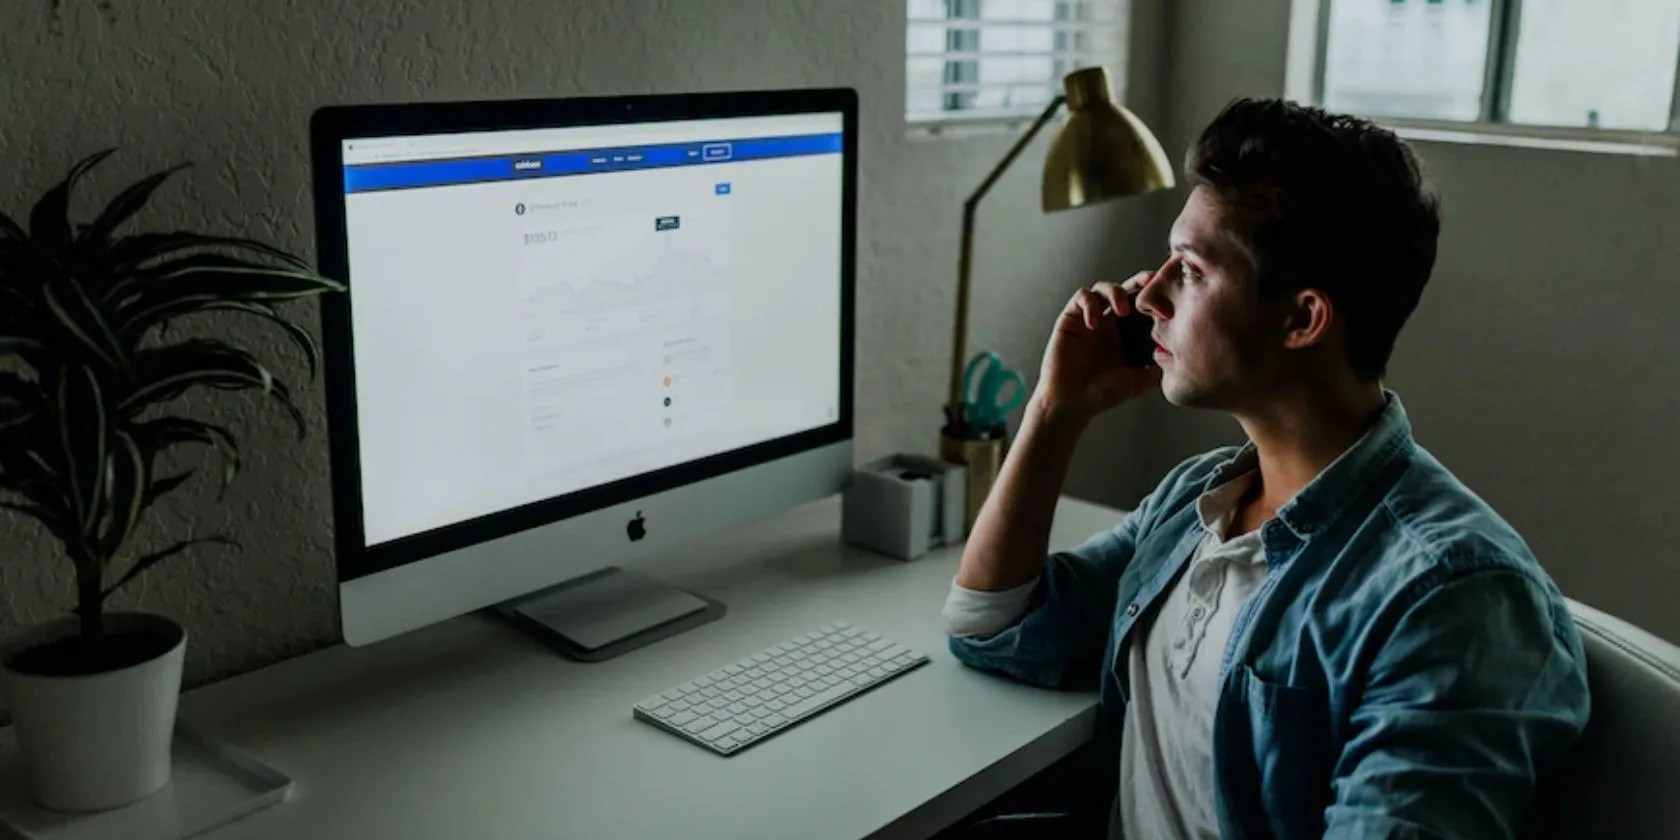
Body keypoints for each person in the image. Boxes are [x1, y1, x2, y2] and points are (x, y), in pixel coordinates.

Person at [942, 98, 1590, 839]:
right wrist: (1057, 411)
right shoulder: (1203, 499)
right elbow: (993, 626)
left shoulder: (1451, 599)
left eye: (1189, 269)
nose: (1148, 294)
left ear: (1303, 318)